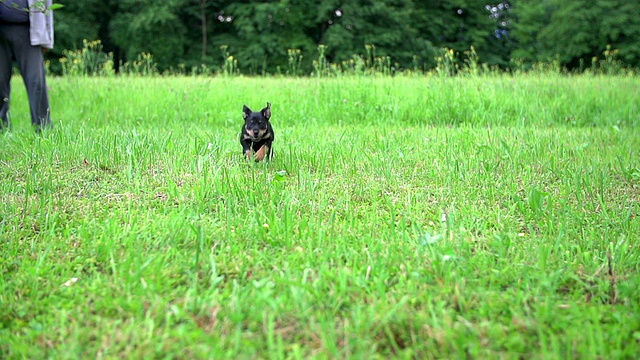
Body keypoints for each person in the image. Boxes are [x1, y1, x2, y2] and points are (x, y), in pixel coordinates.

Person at [0, 0, 54, 132]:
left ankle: (43, 126)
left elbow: (47, 7)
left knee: (36, 81)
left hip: (30, 32)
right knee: (0, 81)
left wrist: (47, 39)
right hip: (1, 31)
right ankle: (1, 126)